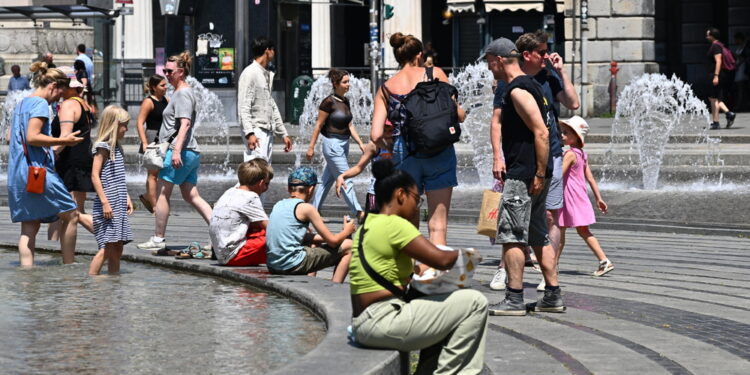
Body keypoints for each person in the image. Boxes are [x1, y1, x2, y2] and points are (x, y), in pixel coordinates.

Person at [349, 159, 488, 374]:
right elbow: (440, 259)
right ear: (401, 195)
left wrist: (419, 271)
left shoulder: (368, 224)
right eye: (417, 199)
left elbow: (402, 269)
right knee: (475, 302)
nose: (417, 206)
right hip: (383, 321)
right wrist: (469, 254)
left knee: (439, 308)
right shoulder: (395, 224)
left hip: (364, 322)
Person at [482, 37, 563, 316]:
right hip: (537, 173)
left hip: (525, 174)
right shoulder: (531, 86)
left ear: (499, 59)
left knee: (512, 236)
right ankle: (552, 295)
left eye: (489, 62)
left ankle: (514, 298)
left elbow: (541, 132)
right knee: (538, 235)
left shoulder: (517, 90)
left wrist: (538, 173)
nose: (488, 68)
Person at [370, 32, 466, 246]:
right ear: (420, 55)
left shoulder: (386, 88)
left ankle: (408, 271)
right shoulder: (436, 73)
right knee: (438, 223)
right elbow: (457, 115)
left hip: (405, 154)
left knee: (406, 221)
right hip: (439, 149)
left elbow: (375, 135)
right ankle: (434, 274)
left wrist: (391, 147)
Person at [517, 30, 580, 292]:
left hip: (552, 152)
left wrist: (561, 72)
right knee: (519, 216)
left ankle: (549, 273)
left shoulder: (548, 75)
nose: (546, 56)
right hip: (521, 154)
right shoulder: (513, 78)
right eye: (541, 52)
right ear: (526, 54)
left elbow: (573, 103)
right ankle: (508, 270)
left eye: (546, 51)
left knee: (552, 217)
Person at [7, 62, 83, 267]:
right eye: (59, 94)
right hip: (37, 171)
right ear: (53, 87)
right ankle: (69, 265)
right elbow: (33, 137)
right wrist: (62, 141)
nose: (58, 99)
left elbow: (12, 136)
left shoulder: (21, 103)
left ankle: (27, 274)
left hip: (18, 173)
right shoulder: (40, 104)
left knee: (29, 227)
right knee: (72, 214)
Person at [136, 51, 213, 251]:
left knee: (162, 194)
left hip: (179, 150)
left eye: (169, 71)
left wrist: (176, 151)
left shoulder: (183, 93)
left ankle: (158, 238)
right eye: (164, 70)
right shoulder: (180, 93)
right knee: (191, 195)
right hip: (189, 151)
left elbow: (185, 124)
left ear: (180, 71)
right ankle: (221, 233)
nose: (166, 74)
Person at [265, 166, 354, 283]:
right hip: (291, 265)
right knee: (350, 245)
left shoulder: (278, 205)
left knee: (312, 239)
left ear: (288, 188)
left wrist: (330, 237)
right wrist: (346, 231)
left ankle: (310, 280)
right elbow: (333, 242)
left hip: (273, 265)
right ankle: (335, 286)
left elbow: (296, 236)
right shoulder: (306, 208)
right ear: (311, 189)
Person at [306, 68, 366, 220]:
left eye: (348, 82)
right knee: (345, 178)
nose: (348, 85)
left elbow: (350, 125)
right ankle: (358, 212)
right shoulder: (328, 102)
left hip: (343, 144)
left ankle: (313, 211)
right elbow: (318, 125)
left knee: (327, 180)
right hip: (332, 145)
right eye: (345, 82)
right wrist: (311, 147)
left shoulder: (345, 101)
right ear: (335, 83)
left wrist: (360, 143)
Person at [558, 116, 613, 277]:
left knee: (560, 229)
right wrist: (598, 198)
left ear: (576, 136)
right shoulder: (582, 154)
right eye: (562, 132)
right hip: (580, 195)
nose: (562, 135)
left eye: (566, 132)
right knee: (582, 231)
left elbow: (558, 174)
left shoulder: (570, 154)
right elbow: (590, 178)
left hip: (570, 196)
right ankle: (604, 260)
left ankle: (552, 263)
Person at [49, 70, 95, 239]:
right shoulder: (82, 103)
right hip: (81, 160)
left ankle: (111, 237)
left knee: (64, 212)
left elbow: (64, 137)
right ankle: (55, 252)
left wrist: (49, 155)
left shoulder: (69, 105)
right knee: (74, 211)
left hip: (69, 163)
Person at [88, 105, 133, 275]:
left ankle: (113, 282)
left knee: (118, 247)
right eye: (124, 125)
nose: (127, 129)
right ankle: (91, 281)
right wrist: (105, 202)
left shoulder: (117, 148)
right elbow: (94, 176)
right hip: (107, 206)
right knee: (106, 248)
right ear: (114, 125)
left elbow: (118, 178)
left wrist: (127, 197)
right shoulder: (103, 147)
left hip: (118, 205)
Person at [237, 37, 292, 163]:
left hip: (266, 130)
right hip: (256, 130)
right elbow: (243, 106)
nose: (274, 53)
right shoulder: (250, 73)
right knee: (255, 174)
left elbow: (271, 105)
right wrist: (250, 133)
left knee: (263, 174)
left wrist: (283, 133)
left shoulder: (264, 74)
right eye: (273, 50)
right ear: (267, 51)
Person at [209, 160, 273, 266]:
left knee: (260, 230)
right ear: (261, 183)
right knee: (275, 238)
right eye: (266, 184)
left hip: (220, 250)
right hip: (233, 256)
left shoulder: (230, 191)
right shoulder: (251, 197)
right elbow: (270, 228)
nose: (267, 188)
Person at [335, 121, 394, 214]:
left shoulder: (400, 144)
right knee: (372, 226)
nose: (387, 133)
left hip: (395, 193)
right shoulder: (374, 145)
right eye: (384, 129)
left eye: (391, 130)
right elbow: (359, 167)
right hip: (376, 193)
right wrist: (342, 176)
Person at [135, 75, 169, 213]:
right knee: (153, 173)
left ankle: (148, 196)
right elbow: (139, 122)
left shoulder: (166, 100)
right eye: (162, 85)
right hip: (152, 138)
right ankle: (154, 206)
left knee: (159, 172)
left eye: (166, 85)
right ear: (154, 87)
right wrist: (144, 142)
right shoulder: (148, 102)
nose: (165, 87)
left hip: (163, 139)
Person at [706, 28, 736, 129]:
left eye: (708, 35)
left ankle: (716, 122)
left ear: (712, 36)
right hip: (717, 75)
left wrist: (716, 76)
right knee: (714, 98)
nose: (706, 36)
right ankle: (729, 113)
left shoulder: (715, 46)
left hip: (716, 75)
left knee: (713, 98)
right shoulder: (718, 45)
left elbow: (718, 61)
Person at [733, 32, 748, 111]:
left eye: (736, 39)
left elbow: (743, 58)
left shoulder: (744, 47)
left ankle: (740, 105)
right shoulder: (740, 47)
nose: (735, 41)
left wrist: (737, 64)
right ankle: (740, 104)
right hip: (739, 68)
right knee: (740, 87)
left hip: (741, 68)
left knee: (741, 87)